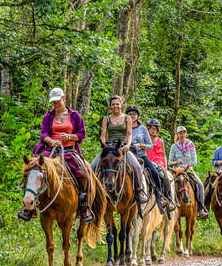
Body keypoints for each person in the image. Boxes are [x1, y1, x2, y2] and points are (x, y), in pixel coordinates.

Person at [32, 87, 93, 222]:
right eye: (53, 102)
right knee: (34, 170)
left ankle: (84, 206)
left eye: (57, 101)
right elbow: (44, 134)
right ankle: (30, 206)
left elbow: (81, 134)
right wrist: (51, 141)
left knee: (83, 174)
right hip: (51, 150)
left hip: (69, 151)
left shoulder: (75, 115)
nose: (55, 104)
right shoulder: (48, 116)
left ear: (64, 98)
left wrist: (70, 136)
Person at [91, 95, 149, 209]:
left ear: (121, 104)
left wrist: (127, 145)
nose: (115, 106)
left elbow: (129, 134)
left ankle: (139, 191)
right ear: (110, 106)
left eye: (117, 104)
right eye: (113, 104)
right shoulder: (106, 119)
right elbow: (103, 135)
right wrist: (104, 145)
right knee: (92, 166)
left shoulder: (127, 118)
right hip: (109, 147)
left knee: (136, 166)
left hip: (122, 147)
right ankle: (92, 194)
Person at [126, 106, 168, 215]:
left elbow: (150, 146)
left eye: (134, 114)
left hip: (141, 155)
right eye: (130, 114)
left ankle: (160, 196)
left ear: (137, 116)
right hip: (127, 155)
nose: (132, 116)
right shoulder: (125, 127)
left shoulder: (143, 129)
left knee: (154, 172)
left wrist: (140, 145)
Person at [169, 126, 208, 219]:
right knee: (168, 185)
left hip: (188, 171)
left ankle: (200, 209)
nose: (182, 135)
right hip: (177, 172)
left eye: (183, 133)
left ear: (185, 134)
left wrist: (188, 166)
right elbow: (169, 163)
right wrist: (177, 162)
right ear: (177, 134)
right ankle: (168, 206)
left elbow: (194, 160)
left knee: (200, 185)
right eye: (180, 133)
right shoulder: (174, 147)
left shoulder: (190, 144)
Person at [146, 119, 173, 203]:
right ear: (148, 129)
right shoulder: (145, 140)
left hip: (159, 163)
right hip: (148, 162)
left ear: (157, 130)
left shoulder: (160, 141)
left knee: (165, 177)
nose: (152, 131)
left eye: (155, 129)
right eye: (151, 129)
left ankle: (167, 197)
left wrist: (165, 166)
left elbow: (164, 154)